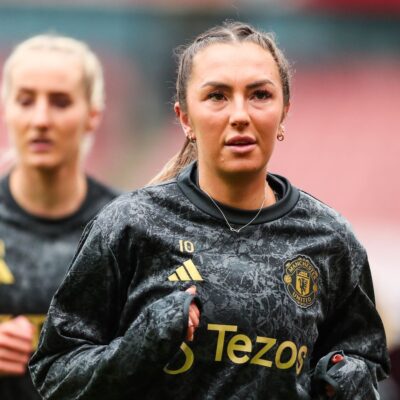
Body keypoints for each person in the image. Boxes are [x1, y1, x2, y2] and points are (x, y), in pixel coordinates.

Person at [30, 22, 389, 399]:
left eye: (260, 95)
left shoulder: (330, 239)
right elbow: (55, 372)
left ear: (284, 111)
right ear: (185, 118)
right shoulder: (129, 225)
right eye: (217, 96)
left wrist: (347, 378)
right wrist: (144, 341)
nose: (240, 114)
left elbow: (364, 357)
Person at [0, 34, 117, 399]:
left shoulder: (125, 227)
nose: (41, 119)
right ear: (6, 110)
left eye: (60, 102)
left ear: (93, 115)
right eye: (26, 101)